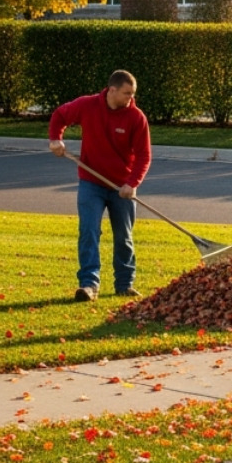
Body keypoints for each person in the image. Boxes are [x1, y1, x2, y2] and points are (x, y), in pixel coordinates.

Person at [47, 70, 152, 302]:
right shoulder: (87, 105)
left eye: (132, 94)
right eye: (127, 93)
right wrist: (56, 138)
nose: (130, 98)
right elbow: (59, 115)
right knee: (89, 231)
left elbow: (144, 156)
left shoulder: (136, 118)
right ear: (112, 90)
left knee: (124, 236)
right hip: (91, 182)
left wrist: (131, 184)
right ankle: (89, 285)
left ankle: (124, 284)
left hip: (121, 187)